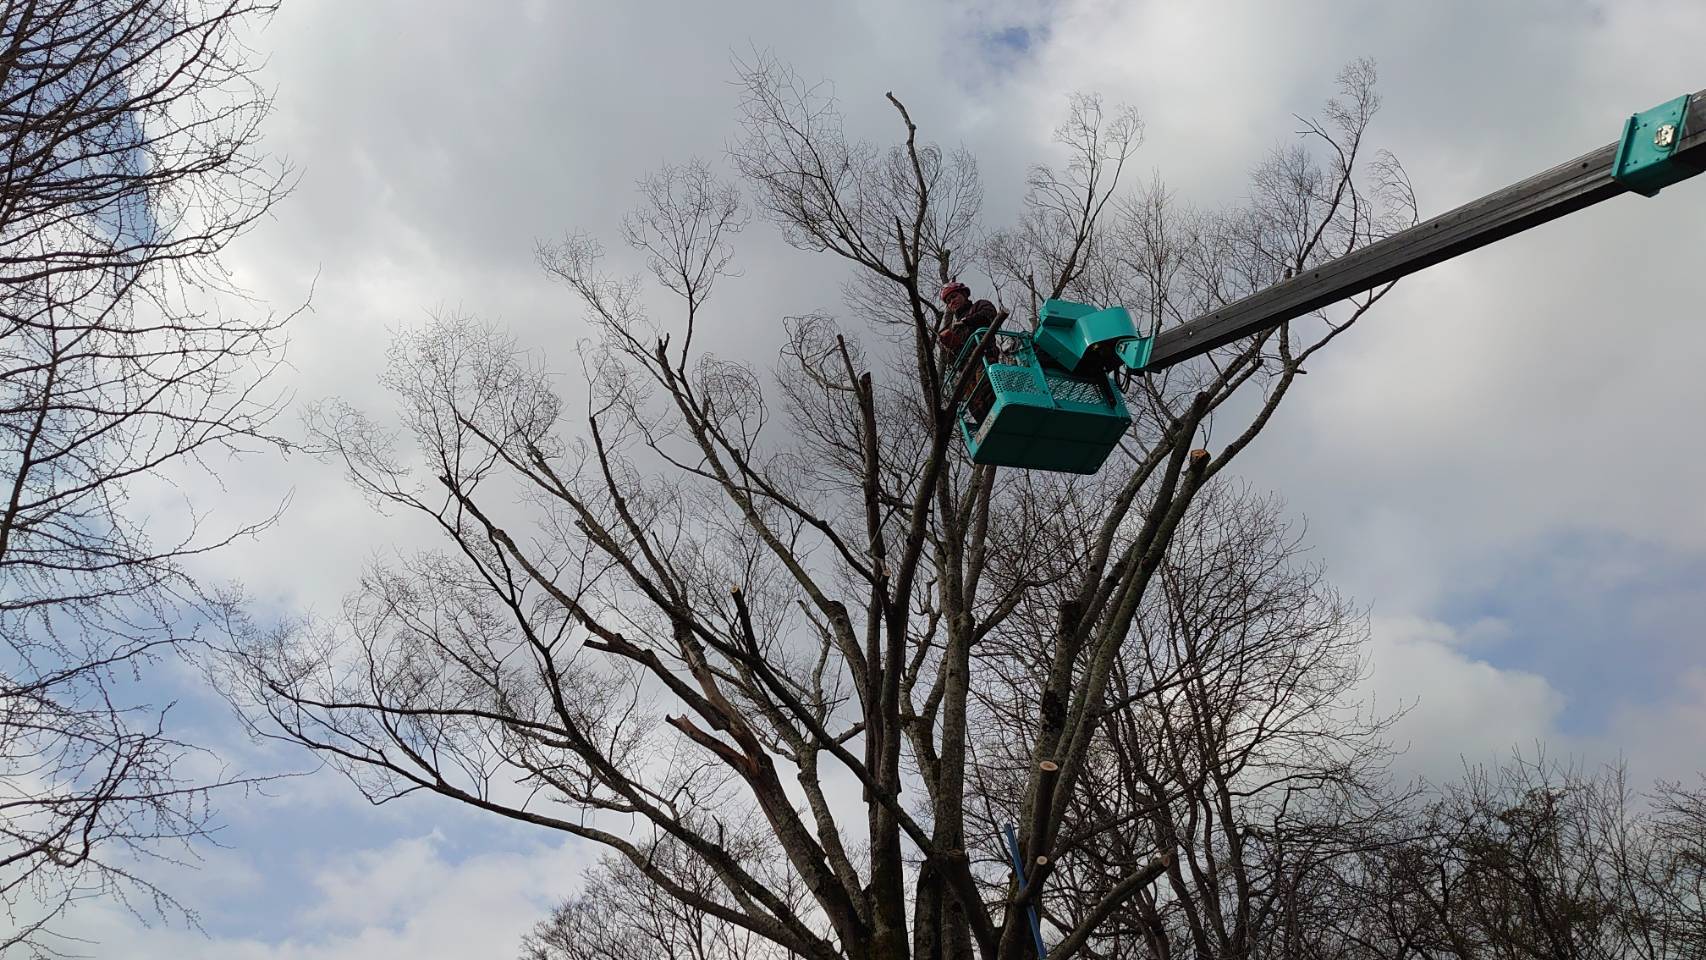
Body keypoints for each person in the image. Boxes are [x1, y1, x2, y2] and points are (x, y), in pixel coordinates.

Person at [935, 281, 999, 356]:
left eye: (954, 296)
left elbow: (989, 314)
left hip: (986, 356)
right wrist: (952, 346)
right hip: (968, 365)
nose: (952, 301)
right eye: (948, 301)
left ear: (964, 294)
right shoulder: (954, 329)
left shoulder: (979, 305)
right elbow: (954, 359)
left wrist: (966, 321)